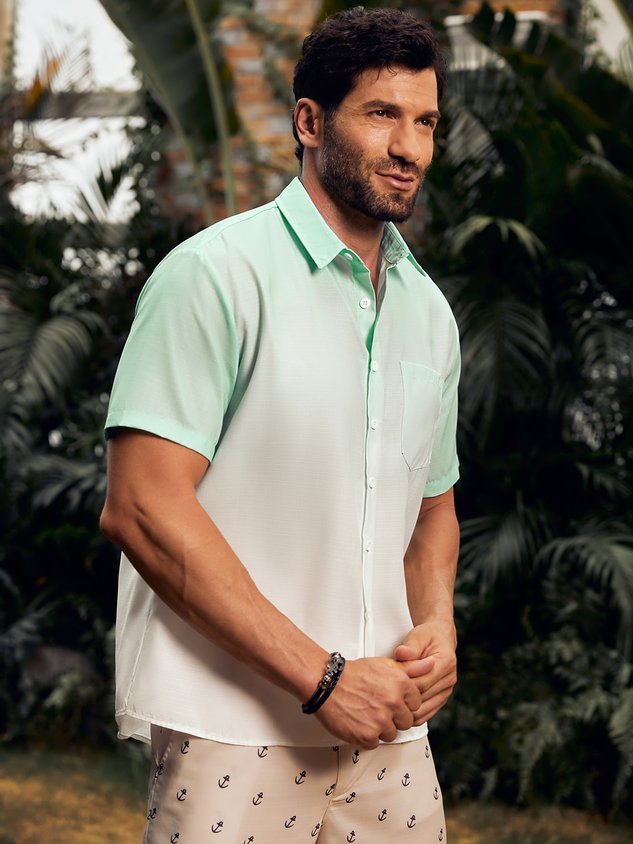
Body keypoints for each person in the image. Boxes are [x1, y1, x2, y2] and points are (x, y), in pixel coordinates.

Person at [100, 7, 460, 843]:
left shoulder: (429, 314)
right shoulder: (212, 276)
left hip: (389, 729)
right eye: (381, 114)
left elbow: (432, 507)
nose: (408, 147)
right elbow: (142, 506)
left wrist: (437, 625)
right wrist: (324, 680)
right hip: (230, 726)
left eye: (424, 122)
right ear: (309, 121)